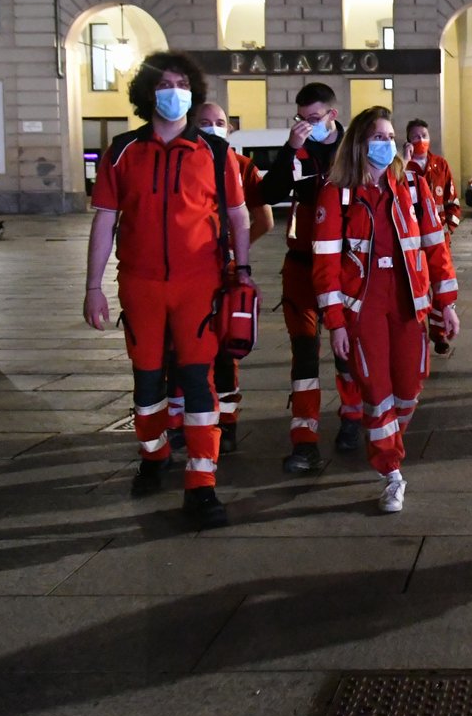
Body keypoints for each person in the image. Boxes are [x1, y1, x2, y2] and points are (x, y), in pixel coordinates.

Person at [83, 50, 254, 529]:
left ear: (192, 92)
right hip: (139, 285)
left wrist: (242, 269)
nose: (173, 91)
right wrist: (93, 286)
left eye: (182, 83)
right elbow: (105, 221)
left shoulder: (216, 153)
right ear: (147, 92)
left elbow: (239, 216)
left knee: (200, 380)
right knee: (147, 381)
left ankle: (202, 483)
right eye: (165, 83)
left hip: (200, 284)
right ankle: (154, 454)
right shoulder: (121, 151)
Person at [313, 107, 460, 513]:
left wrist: (446, 303)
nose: (387, 143)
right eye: (378, 136)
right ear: (360, 143)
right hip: (363, 308)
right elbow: (324, 265)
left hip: (409, 303)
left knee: (409, 388)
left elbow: (435, 245)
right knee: (377, 394)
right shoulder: (338, 192)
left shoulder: (411, 184)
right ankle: (391, 470)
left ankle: (385, 439)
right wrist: (336, 322)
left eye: (390, 136)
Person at [161, 102, 272, 455]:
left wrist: (236, 256)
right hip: (185, 273)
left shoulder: (240, 166)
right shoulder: (177, 160)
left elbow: (262, 219)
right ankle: (180, 422)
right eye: (205, 122)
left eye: (220, 123)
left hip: (221, 273)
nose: (213, 128)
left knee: (225, 349)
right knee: (177, 350)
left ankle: (226, 422)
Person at [256, 82, 351, 474]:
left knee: (348, 351)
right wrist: (291, 149)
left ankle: (352, 417)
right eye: (301, 119)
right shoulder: (297, 151)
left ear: (332, 114)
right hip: (300, 266)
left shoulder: (352, 151)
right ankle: (305, 438)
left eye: (314, 118)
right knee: (305, 354)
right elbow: (269, 192)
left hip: (344, 265)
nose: (307, 125)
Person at [404, 117, 462, 355]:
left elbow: (452, 199)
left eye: (424, 135)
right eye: (416, 136)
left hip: (439, 238)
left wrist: (449, 226)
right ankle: (416, 332)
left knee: (441, 282)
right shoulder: (402, 167)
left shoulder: (440, 164)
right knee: (417, 285)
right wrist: (403, 162)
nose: (421, 140)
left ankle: (440, 334)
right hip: (411, 240)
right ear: (408, 140)